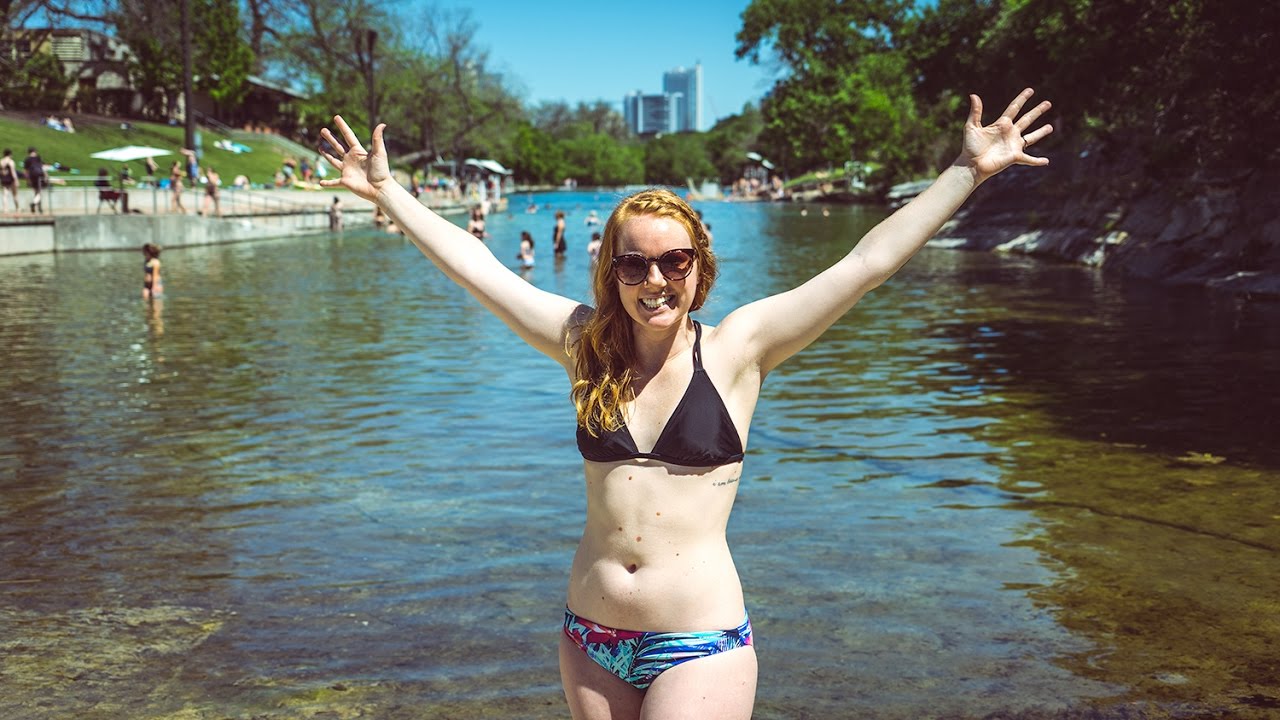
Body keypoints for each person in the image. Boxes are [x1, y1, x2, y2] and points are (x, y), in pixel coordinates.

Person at [318, 86, 1053, 719]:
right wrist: (389, 194)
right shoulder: (584, 346)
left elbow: (866, 264)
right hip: (590, 637)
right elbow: (479, 270)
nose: (655, 281)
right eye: (633, 263)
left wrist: (965, 172)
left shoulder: (740, 350)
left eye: (674, 261)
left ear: (700, 267)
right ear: (612, 272)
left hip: (699, 642)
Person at [24, 147, 46, 214]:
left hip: (32, 176)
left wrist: (27, 180)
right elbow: (42, 167)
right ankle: (34, 204)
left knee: (36, 192)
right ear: (35, 151)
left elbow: (26, 171)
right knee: (39, 192)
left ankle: (39, 208)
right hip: (39, 175)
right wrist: (45, 176)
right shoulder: (38, 158)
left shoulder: (27, 159)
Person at [0, 148, 19, 213]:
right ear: (10, 154)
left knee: (5, 195)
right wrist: (16, 180)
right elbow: (13, 172)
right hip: (11, 180)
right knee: (15, 194)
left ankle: (5, 209)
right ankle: (17, 208)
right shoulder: (11, 162)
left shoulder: (1, 161)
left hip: (4, 179)